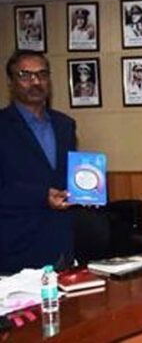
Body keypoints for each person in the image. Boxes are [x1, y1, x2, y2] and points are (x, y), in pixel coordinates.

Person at [0, 50, 76, 273]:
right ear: (11, 82)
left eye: (42, 74)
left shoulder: (65, 125)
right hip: (14, 248)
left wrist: (87, 191)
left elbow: (67, 176)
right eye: (25, 75)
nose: (35, 82)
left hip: (61, 246)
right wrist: (42, 195)